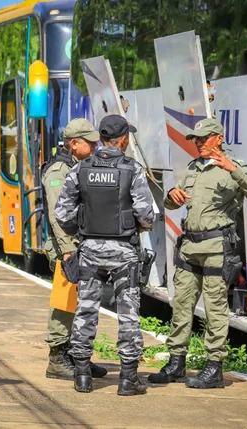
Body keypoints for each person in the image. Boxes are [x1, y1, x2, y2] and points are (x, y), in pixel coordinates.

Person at [148, 117, 247, 389]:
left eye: (204, 139)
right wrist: (172, 195)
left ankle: (214, 367)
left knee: (215, 308)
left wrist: (233, 170)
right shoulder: (193, 169)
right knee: (181, 306)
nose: (199, 143)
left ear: (219, 139)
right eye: (196, 140)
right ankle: (176, 362)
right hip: (190, 247)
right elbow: (174, 200)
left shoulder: (235, 168)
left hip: (216, 249)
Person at [55, 114, 155, 396]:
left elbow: (62, 213)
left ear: (101, 139)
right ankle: (127, 379)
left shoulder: (81, 169)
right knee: (128, 314)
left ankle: (83, 376)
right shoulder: (131, 169)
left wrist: (85, 226)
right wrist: (133, 225)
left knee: (85, 311)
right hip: (124, 251)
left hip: (89, 250)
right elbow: (146, 215)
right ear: (123, 139)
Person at [41, 118, 107, 381]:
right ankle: (57, 359)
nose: (94, 147)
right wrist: (68, 251)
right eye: (89, 143)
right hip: (65, 248)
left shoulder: (80, 166)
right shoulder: (59, 171)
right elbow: (58, 215)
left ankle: (79, 357)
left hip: (82, 245)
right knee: (64, 305)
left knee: (82, 306)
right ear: (73, 143)